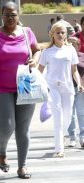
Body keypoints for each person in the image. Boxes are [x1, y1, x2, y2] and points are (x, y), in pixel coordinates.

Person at [0, 1, 41, 179]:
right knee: (7, 126)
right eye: (6, 14)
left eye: (13, 14)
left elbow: (37, 50)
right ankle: (2, 151)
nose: (10, 17)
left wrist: (35, 60)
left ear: (18, 15)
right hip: (1, 87)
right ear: (1, 15)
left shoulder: (27, 32)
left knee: (23, 128)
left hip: (25, 85)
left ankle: (22, 166)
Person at [38, 22, 84, 158]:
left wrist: (79, 83)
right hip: (53, 87)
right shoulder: (46, 52)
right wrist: (39, 85)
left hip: (68, 87)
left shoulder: (70, 50)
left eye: (63, 32)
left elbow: (74, 70)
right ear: (52, 34)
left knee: (68, 117)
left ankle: (62, 135)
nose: (61, 35)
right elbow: (39, 71)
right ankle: (59, 148)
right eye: (58, 32)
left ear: (66, 34)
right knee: (58, 117)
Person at [67, 37, 84, 148]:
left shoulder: (83, 56)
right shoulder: (65, 57)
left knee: (81, 113)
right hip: (67, 89)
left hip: (80, 89)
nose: (73, 46)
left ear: (79, 45)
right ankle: (72, 138)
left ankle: (82, 138)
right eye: (70, 44)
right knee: (70, 115)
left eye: (75, 44)